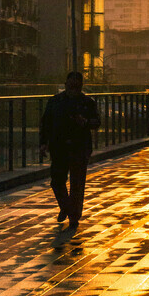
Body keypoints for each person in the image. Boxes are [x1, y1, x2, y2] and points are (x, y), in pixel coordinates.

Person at [39, 71, 100, 227]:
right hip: (58, 146)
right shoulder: (55, 102)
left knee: (77, 183)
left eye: (76, 86)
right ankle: (66, 207)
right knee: (57, 181)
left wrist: (84, 122)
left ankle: (73, 216)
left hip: (80, 146)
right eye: (71, 85)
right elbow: (46, 122)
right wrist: (43, 142)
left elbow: (97, 122)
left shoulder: (87, 102)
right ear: (66, 85)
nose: (73, 89)